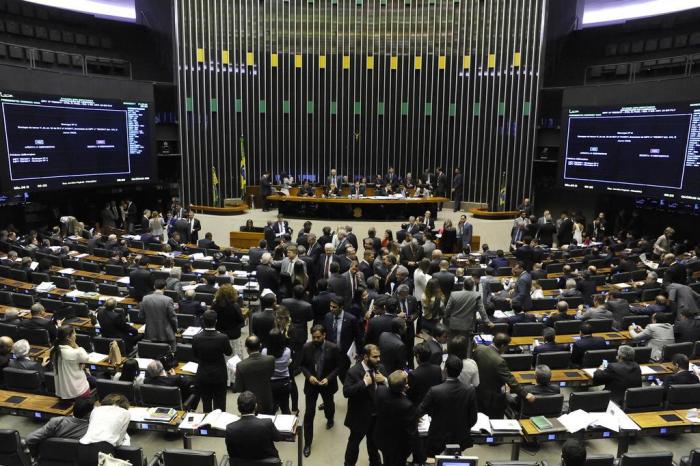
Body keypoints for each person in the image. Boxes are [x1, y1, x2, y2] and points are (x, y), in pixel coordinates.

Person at [418, 355, 478, 457]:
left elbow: (419, 411)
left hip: (437, 437)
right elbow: (473, 418)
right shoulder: (469, 391)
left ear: (445, 370)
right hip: (460, 438)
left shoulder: (435, 390)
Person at [300, 325, 344, 457]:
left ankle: (330, 419)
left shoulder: (334, 348)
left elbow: (339, 367)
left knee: (329, 406)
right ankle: (307, 443)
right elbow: (302, 365)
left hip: (327, 385)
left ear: (324, 335)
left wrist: (328, 379)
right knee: (308, 415)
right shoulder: (306, 347)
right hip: (311, 385)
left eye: (318, 337)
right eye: (313, 337)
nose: (315, 339)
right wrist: (309, 376)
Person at [343, 344, 387, 466]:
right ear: (366, 357)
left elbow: (388, 390)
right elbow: (346, 392)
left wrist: (385, 380)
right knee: (353, 444)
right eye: (375, 357)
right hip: (359, 417)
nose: (378, 359)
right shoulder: (353, 371)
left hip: (376, 416)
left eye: (379, 356)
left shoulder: (381, 368)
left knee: (373, 444)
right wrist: (364, 383)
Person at [472, 333, 533, 418]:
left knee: (480, 417)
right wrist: (525, 394)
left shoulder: (479, 348)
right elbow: (511, 381)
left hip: (477, 391)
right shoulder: (499, 361)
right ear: (503, 346)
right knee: (495, 420)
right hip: (492, 398)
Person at [373, 370, 418, 466]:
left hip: (383, 439)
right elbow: (411, 432)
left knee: (387, 461)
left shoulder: (380, 391)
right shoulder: (407, 406)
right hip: (398, 446)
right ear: (405, 386)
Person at [192, 310, 233, 412]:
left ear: (203, 322)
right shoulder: (222, 337)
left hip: (203, 374)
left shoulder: (196, 337)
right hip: (219, 375)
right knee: (220, 404)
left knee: (206, 403)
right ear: (216, 321)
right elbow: (229, 352)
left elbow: (195, 355)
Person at [225, 391, 283, 461]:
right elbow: (278, 438)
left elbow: (231, 452)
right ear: (256, 406)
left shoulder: (230, 428)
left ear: (238, 408)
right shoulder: (267, 423)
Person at [26, 398, 94, 455]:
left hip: (51, 459)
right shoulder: (93, 429)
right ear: (88, 414)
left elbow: (30, 439)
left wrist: (35, 455)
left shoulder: (56, 422)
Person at [77, 393, 131, 466]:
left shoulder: (95, 410)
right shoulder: (126, 413)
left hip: (82, 446)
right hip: (103, 448)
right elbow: (118, 441)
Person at [233, 335, 276, 415]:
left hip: (248, 404)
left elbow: (237, 388)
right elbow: (271, 374)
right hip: (266, 400)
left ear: (246, 348)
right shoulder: (270, 359)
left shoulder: (240, 365)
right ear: (260, 345)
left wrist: (237, 375)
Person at [51, 326, 91, 400]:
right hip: (78, 392)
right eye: (74, 333)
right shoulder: (75, 352)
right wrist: (75, 345)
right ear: (68, 337)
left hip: (62, 393)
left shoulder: (54, 351)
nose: (75, 335)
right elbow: (86, 358)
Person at [138, 279, 178, 349]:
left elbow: (141, 316)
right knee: (170, 355)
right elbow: (173, 318)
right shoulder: (168, 300)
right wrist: (175, 329)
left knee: (153, 354)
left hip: (150, 333)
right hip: (166, 334)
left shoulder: (145, 298)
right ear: (165, 287)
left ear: (154, 287)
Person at [262, 328, 293, 414]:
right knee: (285, 407)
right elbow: (288, 362)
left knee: (271, 408)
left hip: (271, 383)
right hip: (284, 382)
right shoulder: (287, 351)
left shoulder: (264, 352)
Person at [212, 284, 246, 357]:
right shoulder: (235, 306)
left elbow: (212, 319)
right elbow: (241, 322)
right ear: (232, 293)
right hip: (233, 335)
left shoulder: (215, 305)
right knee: (235, 356)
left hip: (220, 335)